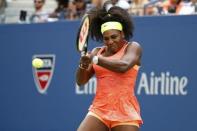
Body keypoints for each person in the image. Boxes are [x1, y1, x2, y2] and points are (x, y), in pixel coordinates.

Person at [76, 6, 143, 131]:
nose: (110, 41)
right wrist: (83, 64)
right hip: (99, 110)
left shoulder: (133, 47)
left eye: (114, 37)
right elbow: (81, 81)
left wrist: (95, 59)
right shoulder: (97, 51)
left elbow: (124, 66)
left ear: (122, 34)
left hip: (125, 112)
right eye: (106, 38)